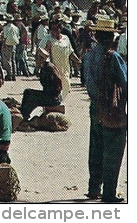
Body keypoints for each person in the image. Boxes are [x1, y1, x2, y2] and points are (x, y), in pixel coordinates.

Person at [83, 17, 127, 203]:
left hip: (95, 106)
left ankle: (94, 188)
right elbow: (125, 82)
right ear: (111, 37)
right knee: (113, 151)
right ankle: (109, 193)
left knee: (96, 148)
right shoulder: (113, 56)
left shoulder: (88, 56)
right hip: (111, 107)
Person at [40, 18, 80, 98]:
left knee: (64, 92)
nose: (53, 31)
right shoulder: (47, 39)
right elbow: (40, 54)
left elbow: (70, 52)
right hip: (52, 74)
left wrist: (79, 61)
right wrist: (47, 50)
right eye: (52, 29)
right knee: (53, 97)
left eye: (56, 29)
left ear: (60, 29)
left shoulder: (65, 38)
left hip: (65, 72)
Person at [20, 48, 63, 122]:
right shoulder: (44, 67)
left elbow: (57, 84)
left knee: (32, 97)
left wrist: (53, 95)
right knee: (27, 92)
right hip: (50, 94)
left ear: (41, 59)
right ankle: (24, 113)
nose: (35, 60)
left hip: (53, 98)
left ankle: (24, 117)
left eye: (36, 58)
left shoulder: (49, 68)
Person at [0, 14, 19, 81]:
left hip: (7, 44)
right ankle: (14, 74)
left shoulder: (6, 28)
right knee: (13, 60)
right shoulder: (16, 27)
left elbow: (5, 38)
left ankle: (9, 75)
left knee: (7, 60)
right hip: (14, 44)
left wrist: (3, 45)